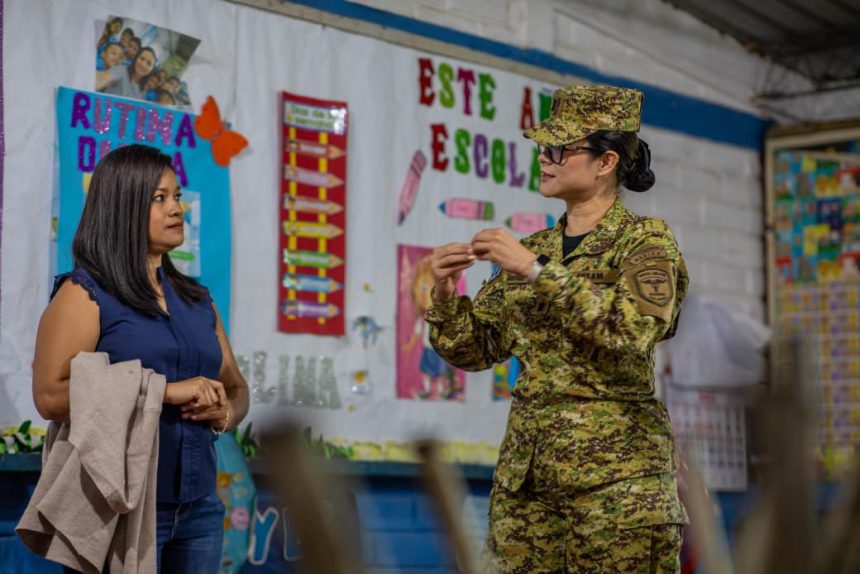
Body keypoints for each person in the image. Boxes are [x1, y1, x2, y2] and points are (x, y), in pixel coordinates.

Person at [426, 84, 689, 572]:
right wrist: (444, 295)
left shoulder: (645, 241)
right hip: (528, 489)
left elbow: (633, 330)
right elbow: (476, 349)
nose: (544, 159)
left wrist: (535, 271)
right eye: (542, 148)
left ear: (606, 162)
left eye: (559, 149)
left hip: (618, 489)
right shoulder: (533, 245)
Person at [32, 144, 249, 573]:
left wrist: (223, 412)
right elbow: (49, 396)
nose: (177, 209)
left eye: (178, 196)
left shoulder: (198, 300)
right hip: (119, 508)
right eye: (160, 198)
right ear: (124, 205)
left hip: (201, 510)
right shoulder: (85, 293)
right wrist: (165, 392)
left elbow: (236, 388)